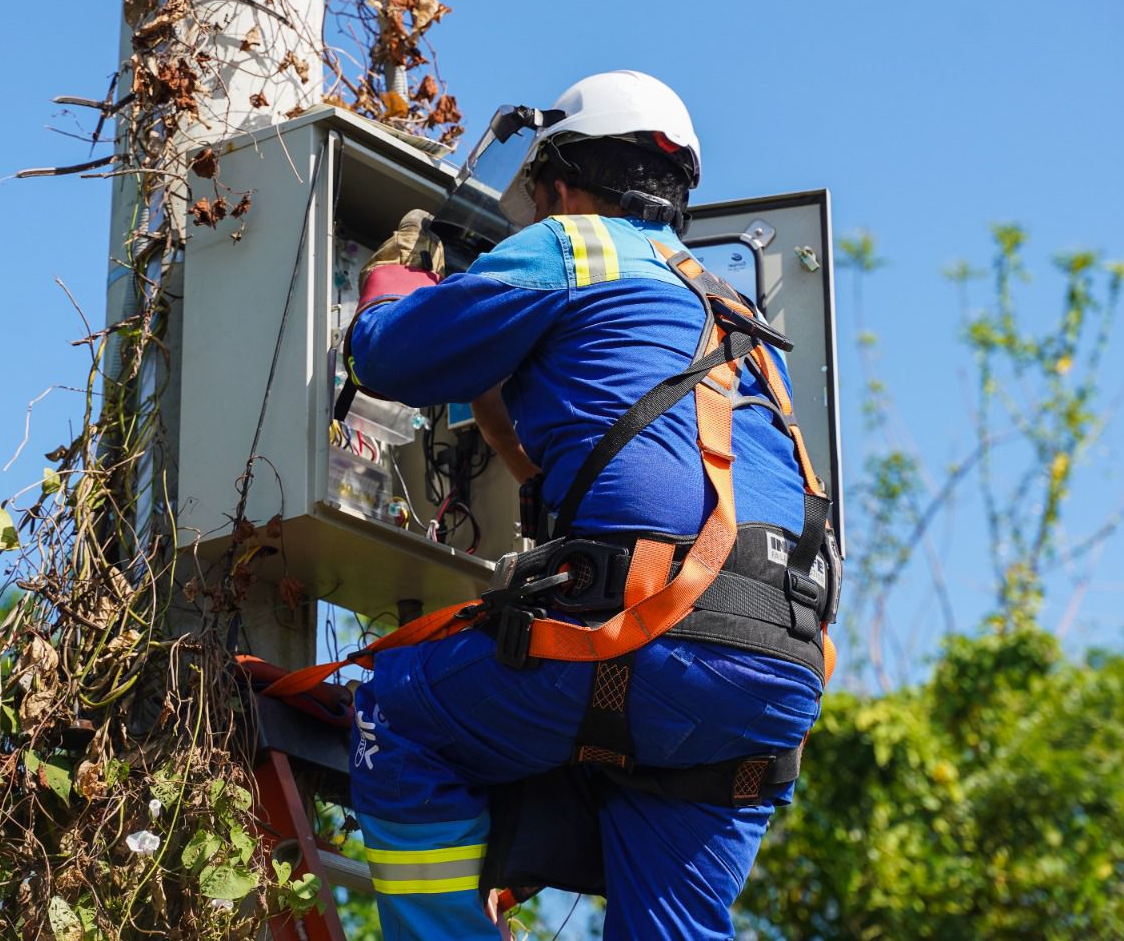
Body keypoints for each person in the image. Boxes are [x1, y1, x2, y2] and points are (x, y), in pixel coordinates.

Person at [340, 70, 836, 939]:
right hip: (775, 677)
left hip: (651, 636)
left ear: (560, 183)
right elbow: (650, 458)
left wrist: (392, 283)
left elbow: (386, 360)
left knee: (398, 705)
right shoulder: (735, 311)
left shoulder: (571, 246)